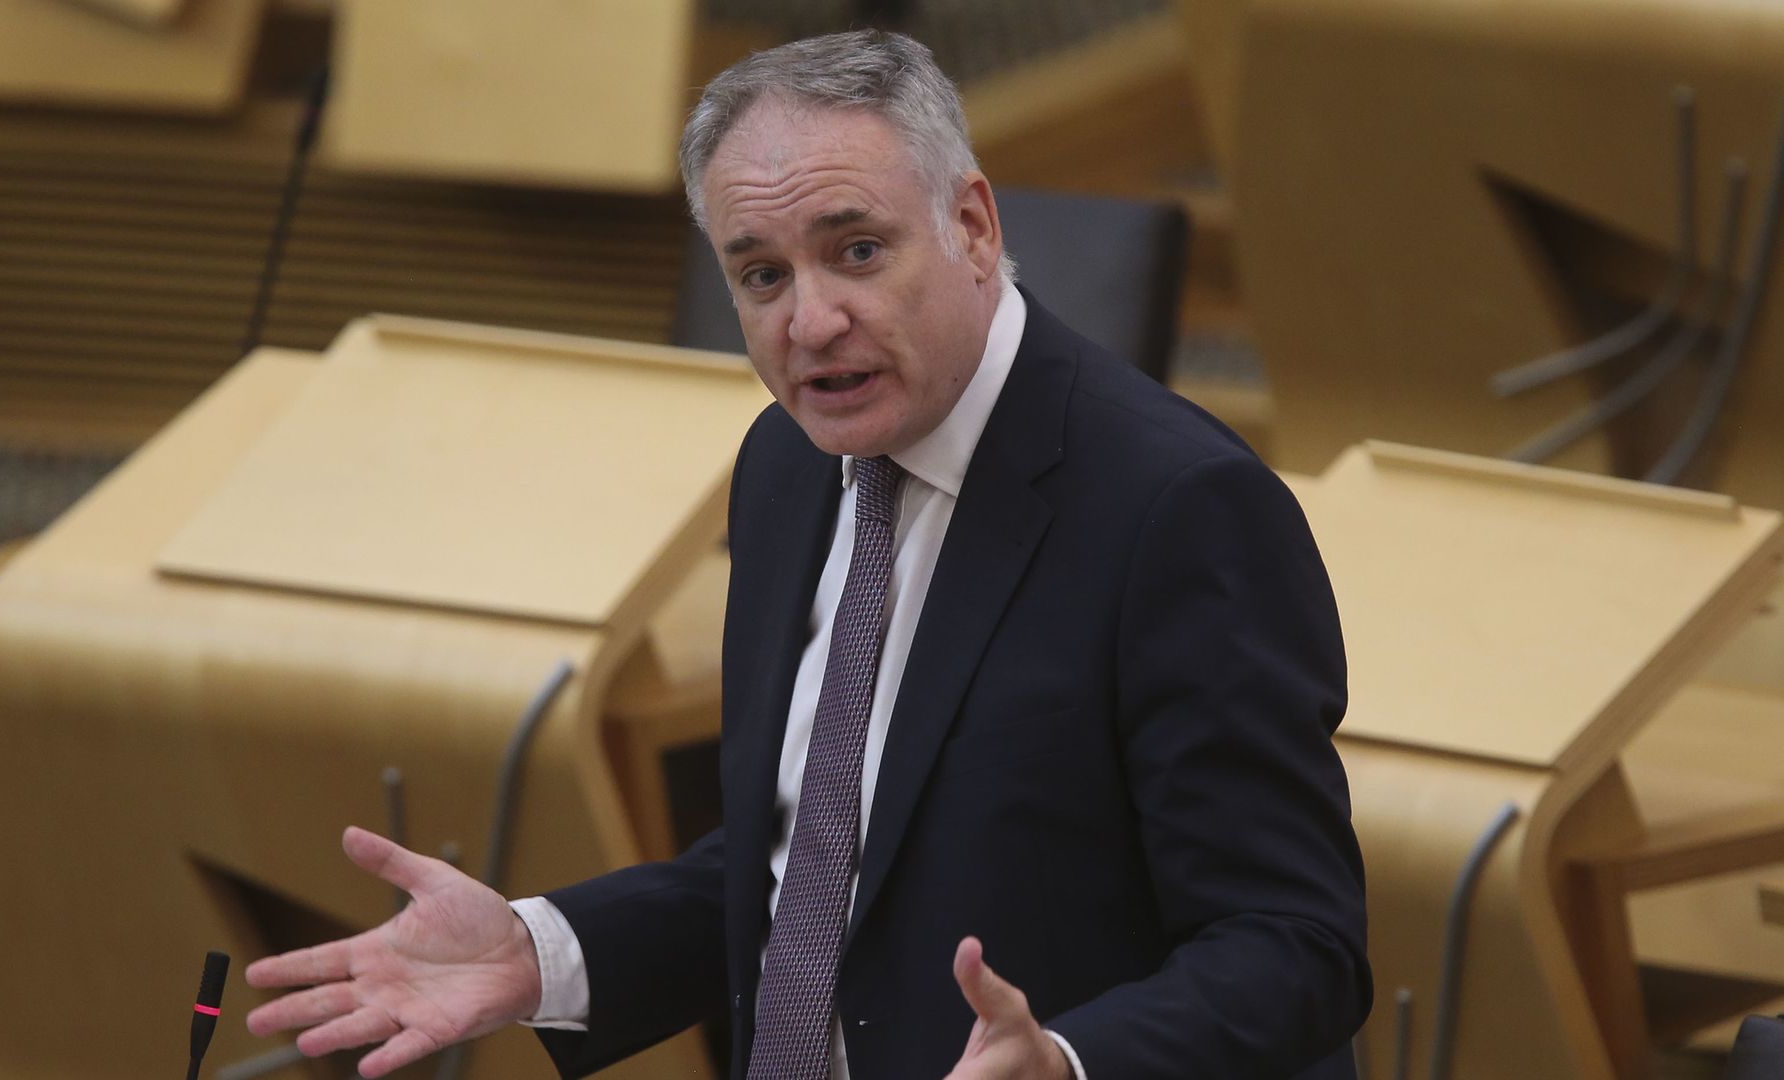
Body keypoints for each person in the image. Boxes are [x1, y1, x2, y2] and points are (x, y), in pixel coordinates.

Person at [245, 29, 1370, 1080]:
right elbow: (813, 860)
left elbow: (1295, 943)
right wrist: (546, 950)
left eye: (857, 251)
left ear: (973, 227)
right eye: (763, 277)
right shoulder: (789, 465)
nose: (812, 321)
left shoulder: (1181, 508)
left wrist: (1076, 1062)